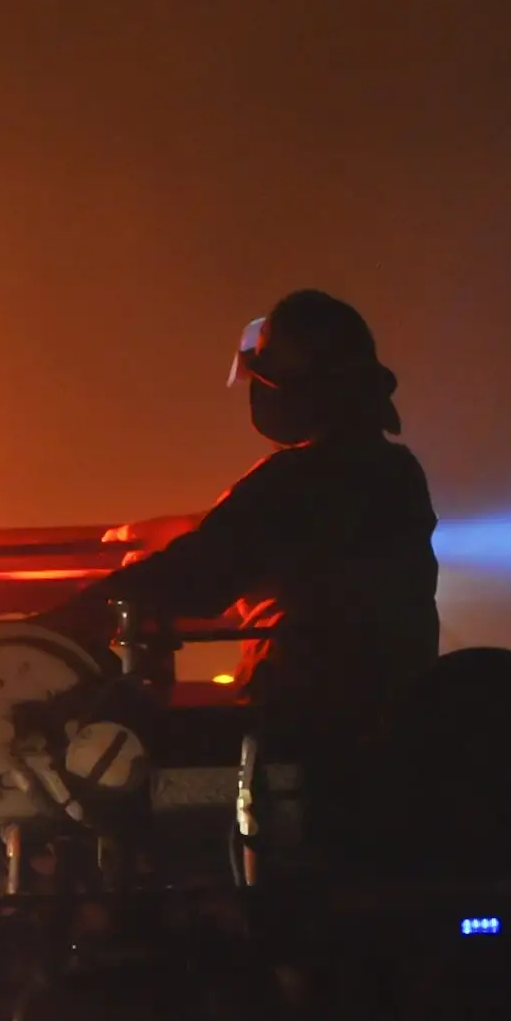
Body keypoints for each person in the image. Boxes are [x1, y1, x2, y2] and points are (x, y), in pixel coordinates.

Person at [84, 290, 439, 755]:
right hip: (386, 733)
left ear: (294, 391)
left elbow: (195, 578)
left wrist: (69, 617)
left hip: (306, 738)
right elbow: (276, 539)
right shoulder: (391, 472)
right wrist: (183, 530)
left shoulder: (298, 482)